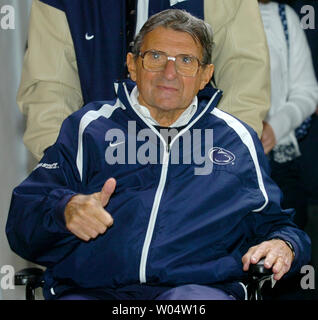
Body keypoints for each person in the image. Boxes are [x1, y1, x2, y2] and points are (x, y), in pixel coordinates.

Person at [7, 10, 310, 301]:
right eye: (155, 57)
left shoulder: (236, 140)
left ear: (205, 75)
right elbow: (23, 219)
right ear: (132, 65)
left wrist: (285, 245)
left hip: (194, 291)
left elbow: (277, 225)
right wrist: (65, 208)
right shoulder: (87, 128)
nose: (169, 72)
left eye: (186, 61)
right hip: (91, 288)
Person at [17, 0, 271, 161]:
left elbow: (245, 84)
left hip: (198, 169)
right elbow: (48, 94)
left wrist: (220, 166)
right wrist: (72, 170)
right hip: (95, 175)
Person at [258, 0, 318, 229]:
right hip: (220, 167)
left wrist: (274, 128)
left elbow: (307, 92)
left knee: (288, 251)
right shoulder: (205, 11)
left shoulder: (284, 16)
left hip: (279, 165)